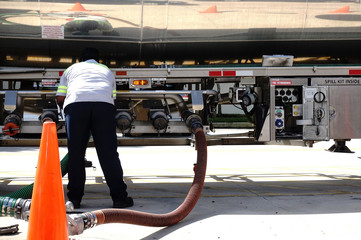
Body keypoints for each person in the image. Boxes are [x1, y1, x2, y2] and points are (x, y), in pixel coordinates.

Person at [56, 47, 133, 209]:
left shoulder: (71, 69)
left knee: (76, 154)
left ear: (80, 59)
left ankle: (74, 199)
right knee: (108, 154)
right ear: (98, 60)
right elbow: (112, 97)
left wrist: (68, 111)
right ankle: (119, 198)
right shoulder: (106, 70)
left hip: (76, 106)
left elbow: (60, 96)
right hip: (103, 107)